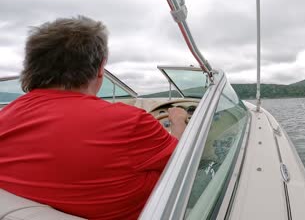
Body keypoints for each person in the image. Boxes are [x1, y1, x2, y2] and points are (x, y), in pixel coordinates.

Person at [0, 16, 187, 219]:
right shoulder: (130, 122)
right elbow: (185, 161)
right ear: (100, 69)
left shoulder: (6, 116)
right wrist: (178, 120)